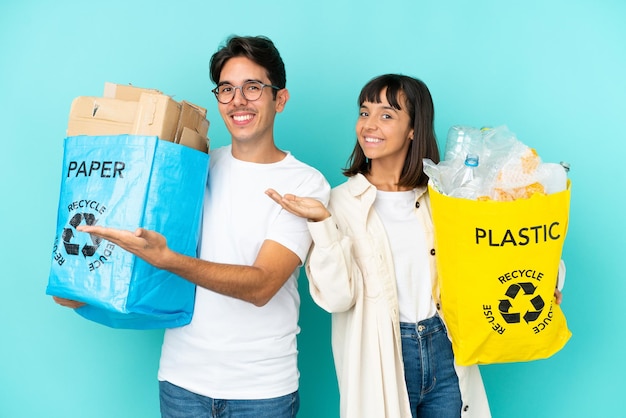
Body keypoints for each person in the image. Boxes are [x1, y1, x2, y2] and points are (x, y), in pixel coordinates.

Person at [55, 35, 330, 418]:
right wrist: (81, 286)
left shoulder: (305, 184)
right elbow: (140, 244)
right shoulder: (191, 168)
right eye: (227, 89)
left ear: (279, 99)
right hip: (182, 382)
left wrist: (168, 259)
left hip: (262, 391)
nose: (238, 101)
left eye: (252, 87)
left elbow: (263, 284)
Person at [266, 74, 492, 418]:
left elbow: (488, 255)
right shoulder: (338, 204)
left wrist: (550, 280)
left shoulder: (443, 199)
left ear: (414, 129)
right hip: (383, 354)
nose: (369, 125)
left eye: (387, 115)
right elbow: (338, 297)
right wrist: (323, 224)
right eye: (364, 112)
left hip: (445, 349)